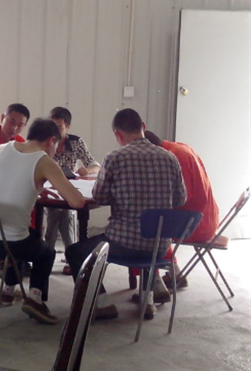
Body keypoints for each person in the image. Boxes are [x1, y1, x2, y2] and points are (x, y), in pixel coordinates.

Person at [65, 109, 186, 320]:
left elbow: (100, 197)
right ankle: (147, 298)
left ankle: (102, 303)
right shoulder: (170, 158)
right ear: (143, 127)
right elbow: (180, 199)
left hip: (123, 244)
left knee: (75, 252)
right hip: (160, 246)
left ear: (117, 134)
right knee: (150, 238)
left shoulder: (115, 157)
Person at [0, 118, 85, 324]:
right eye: (56, 146)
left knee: (26, 235)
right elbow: (76, 202)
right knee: (46, 253)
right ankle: (35, 300)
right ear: (51, 140)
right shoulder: (44, 161)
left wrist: (35, 189)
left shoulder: (3, 148)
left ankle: (8, 291)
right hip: (10, 244)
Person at [144, 130, 220, 288]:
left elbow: (183, 198)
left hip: (196, 225)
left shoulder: (176, 156)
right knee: (154, 222)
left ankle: (154, 285)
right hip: (205, 218)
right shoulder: (179, 148)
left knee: (146, 227)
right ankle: (175, 273)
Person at [45, 107, 101, 274]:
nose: (55, 131)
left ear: (68, 127)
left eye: (60, 127)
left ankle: (47, 255)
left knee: (62, 213)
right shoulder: (45, 141)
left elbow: (95, 165)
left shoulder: (76, 142)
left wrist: (87, 170)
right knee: (61, 213)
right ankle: (72, 258)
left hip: (69, 189)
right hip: (49, 190)